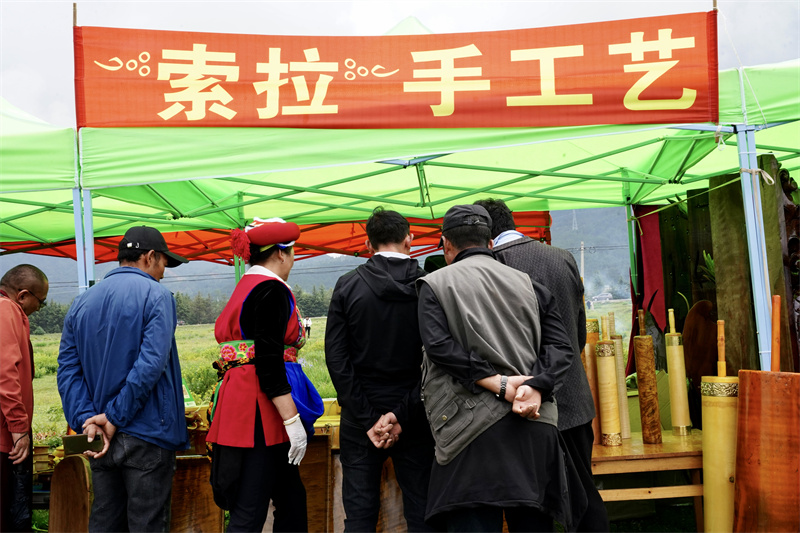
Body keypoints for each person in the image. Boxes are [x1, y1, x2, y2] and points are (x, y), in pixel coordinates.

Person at [416, 204, 585, 532]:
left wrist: (498, 383)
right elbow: (561, 348)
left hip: (470, 431)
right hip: (532, 423)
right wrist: (535, 386)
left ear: (446, 245)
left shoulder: (434, 285)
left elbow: (439, 348)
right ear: (491, 243)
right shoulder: (531, 285)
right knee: (533, 525)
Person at [475, 198, 608, 531]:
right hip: (573, 396)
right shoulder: (561, 257)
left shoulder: (490, 266)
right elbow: (578, 332)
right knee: (584, 496)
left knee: (530, 508)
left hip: (518, 404)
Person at [57, 226, 189, 532]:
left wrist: (87, 420)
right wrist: (114, 417)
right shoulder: (158, 295)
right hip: (147, 432)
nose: (163, 273)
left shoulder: (81, 302)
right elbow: (151, 364)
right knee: (147, 524)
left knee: (105, 522)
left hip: (99, 435)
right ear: (150, 257)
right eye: (163, 263)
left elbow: (68, 370)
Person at [325, 207, 434, 532]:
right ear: (409, 239)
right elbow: (437, 359)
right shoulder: (428, 286)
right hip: (416, 412)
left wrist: (369, 418)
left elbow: (336, 358)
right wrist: (400, 414)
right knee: (423, 510)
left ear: (368, 244)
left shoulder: (347, 286)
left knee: (359, 515)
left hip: (361, 416)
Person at [206, 217, 309, 532]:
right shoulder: (271, 289)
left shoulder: (246, 287)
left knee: (291, 501)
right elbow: (268, 361)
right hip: (260, 409)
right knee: (250, 510)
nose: (293, 260)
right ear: (280, 253)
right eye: (292, 252)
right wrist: (292, 422)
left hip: (242, 402)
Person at [0, 265, 48, 532]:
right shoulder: (6, 309)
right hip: (5, 434)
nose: (39, 309)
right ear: (23, 295)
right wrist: (19, 428)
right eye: (40, 302)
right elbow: (5, 372)